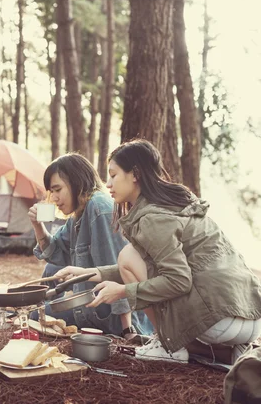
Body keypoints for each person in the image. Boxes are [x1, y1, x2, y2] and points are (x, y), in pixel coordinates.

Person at [55, 139, 261, 363]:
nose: (108, 183)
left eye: (113, 175)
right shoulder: (175, 203)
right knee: (131, 258)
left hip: (219, 320)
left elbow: (178, 280)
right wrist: (87, 273)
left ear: (135, 174)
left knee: (127, 255)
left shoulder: (153, 218)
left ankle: (168, 346)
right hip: (250, 318)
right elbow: (148, 266)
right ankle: (232, 350)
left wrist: (123, 291)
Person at [28, 153, 152, 339]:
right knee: (50, 271)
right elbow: (54, 253)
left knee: (36, 316)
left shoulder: (99, 209)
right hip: (92, 307)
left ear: (76, 182)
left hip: (111, 316)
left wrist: (127, 331)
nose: (53, 198)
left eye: (57, 189)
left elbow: (118, 270)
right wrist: (38, 225)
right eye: (51, 192)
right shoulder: (78, 214)